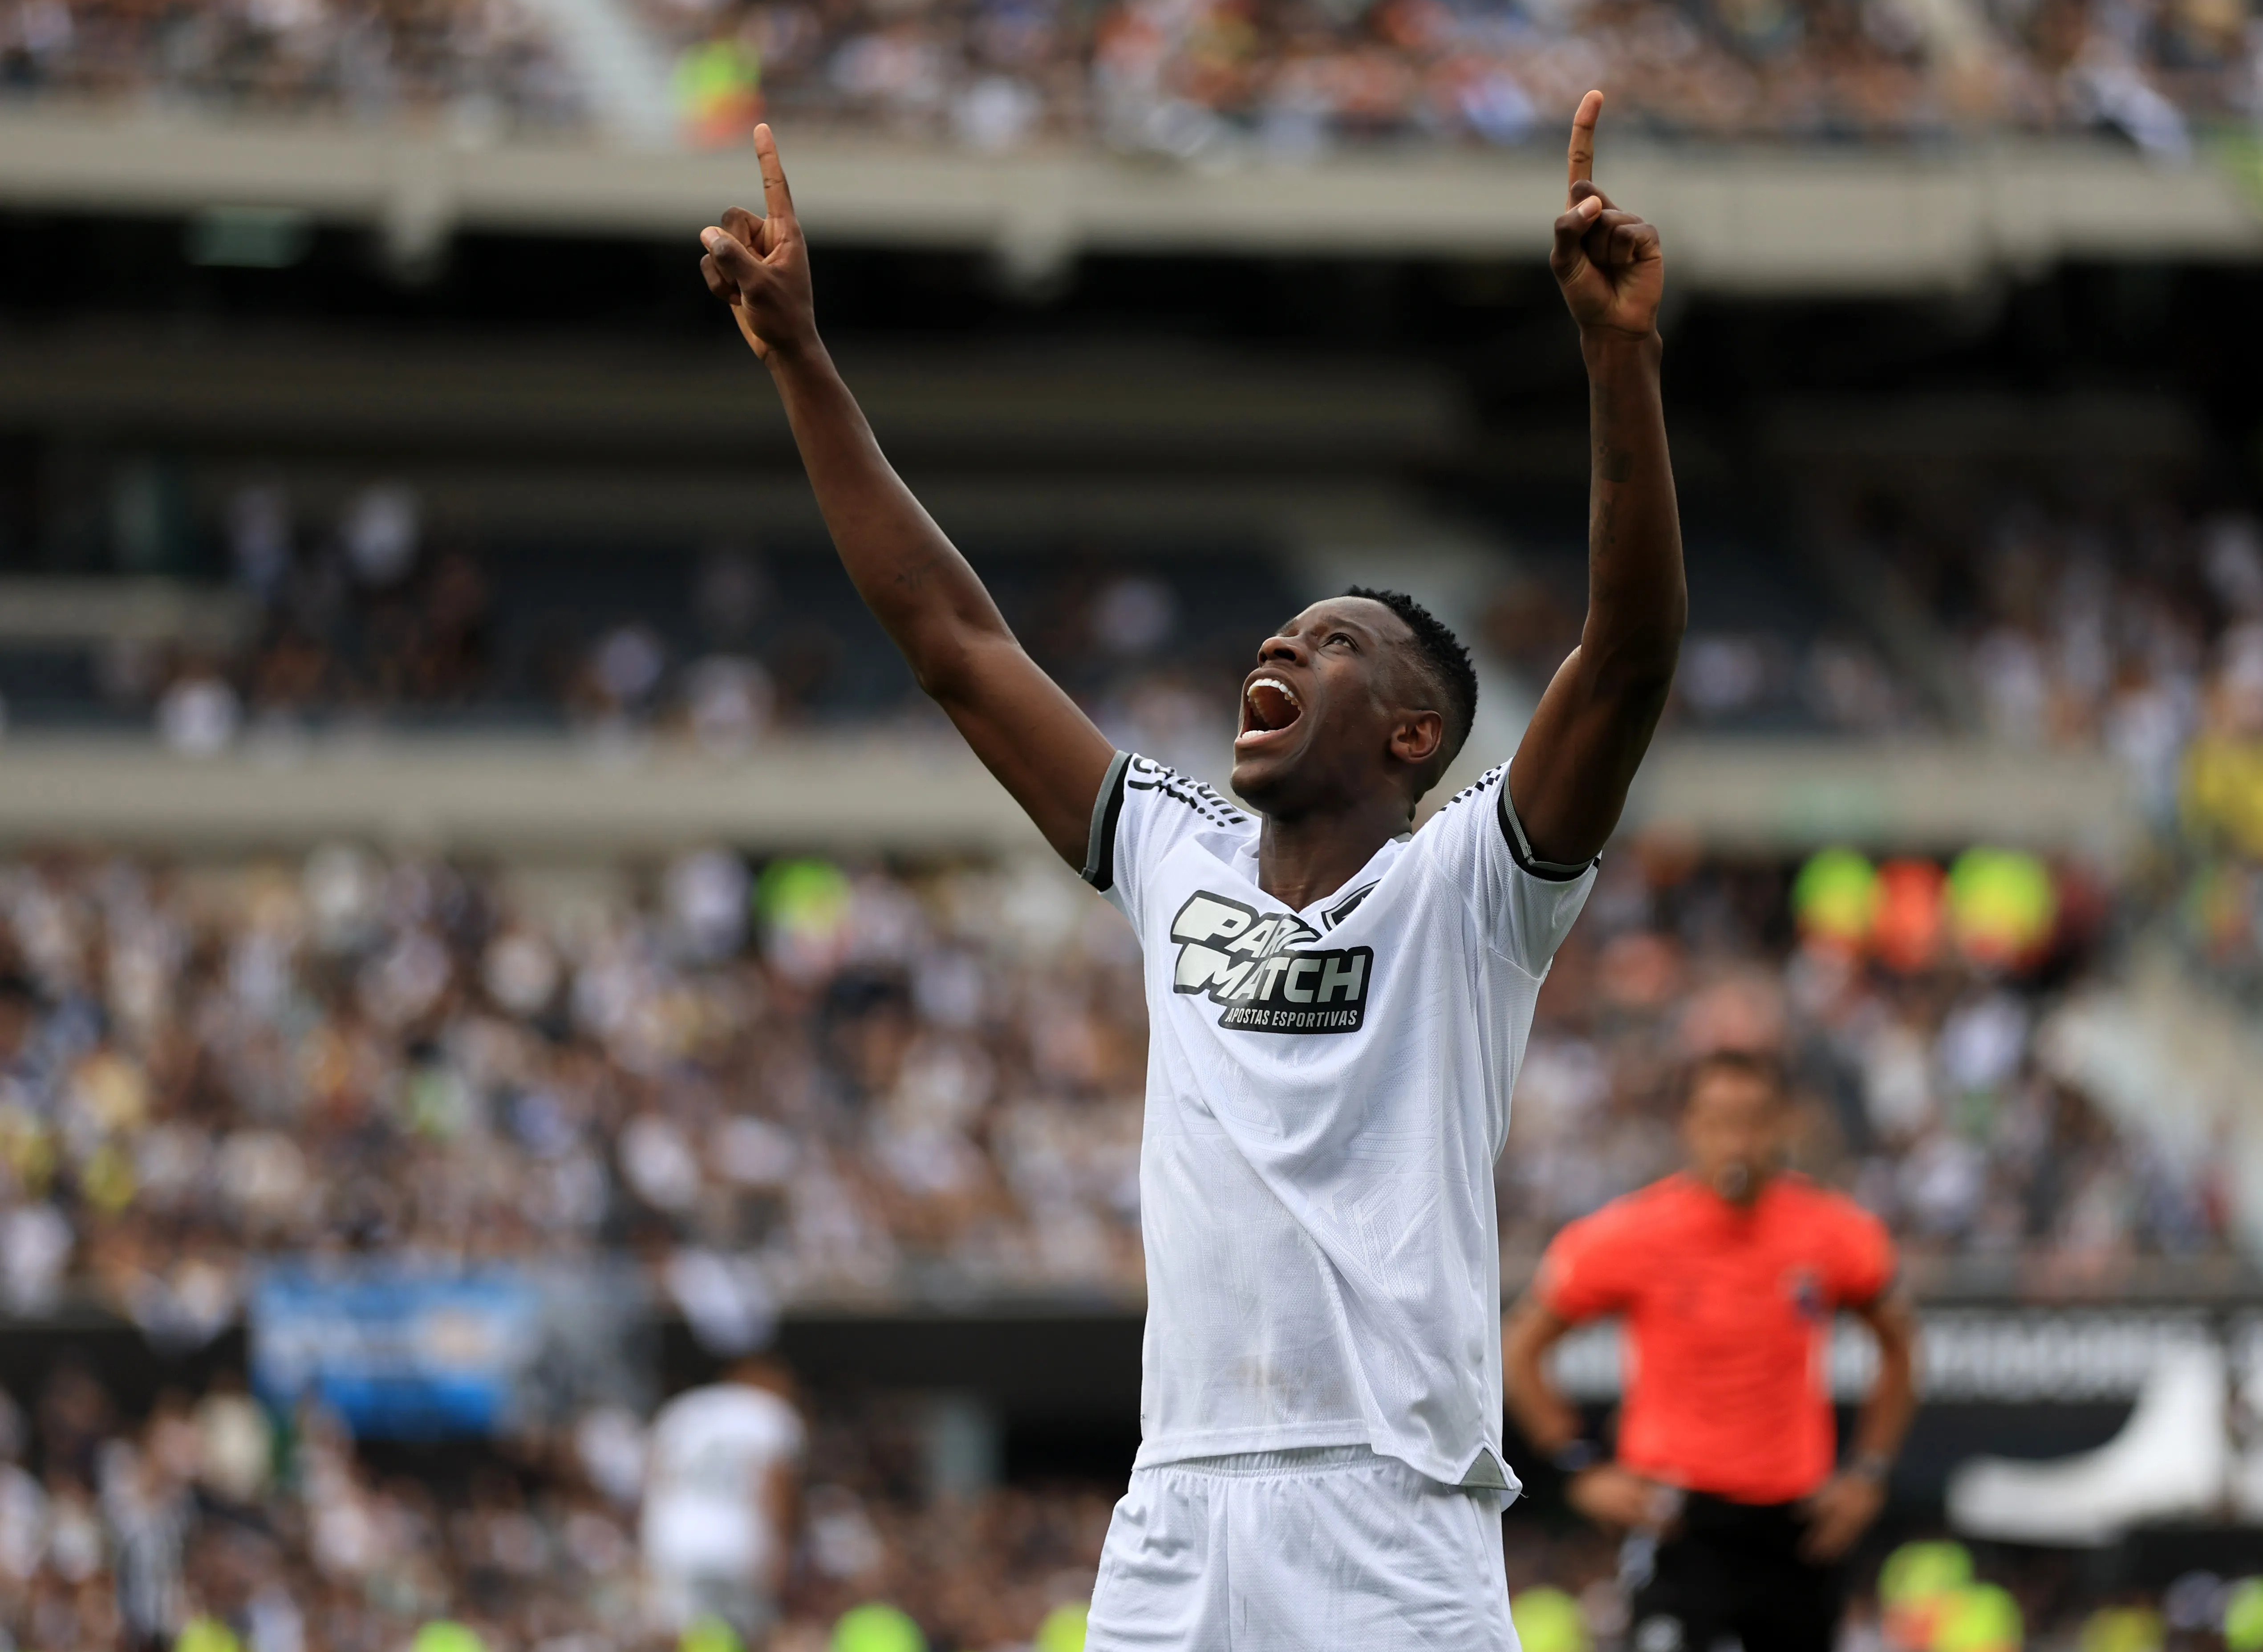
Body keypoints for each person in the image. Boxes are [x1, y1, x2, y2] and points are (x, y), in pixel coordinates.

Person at [697, 89, 1683, 1650]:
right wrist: (806, 363)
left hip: (1389, 1509)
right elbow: (956, 644)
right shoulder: (1173, 849)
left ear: (1414, 735)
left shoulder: (1470, 895)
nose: (1280, 644)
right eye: (1281, 634)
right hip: (1176, 1506)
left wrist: (1614, 358)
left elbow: (1624, 660)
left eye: (1333, 645)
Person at [1505, 1049, 1922, 1652]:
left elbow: (1900, 1345)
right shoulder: (1631, 1233)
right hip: (1678, 1518)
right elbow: (1521, 1348)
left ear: (1783, 1125)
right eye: (1720, 1120)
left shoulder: (1833, 1233)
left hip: (1797, 1524)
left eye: (1754, 1120)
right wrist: (1579, 1466)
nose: (1738, 1140)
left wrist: (1868, 1473)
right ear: (1690, 1126)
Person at [639, 1360, 805, 1642]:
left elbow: (654, 1478)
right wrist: (781, 1545)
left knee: (676, 1633)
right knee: (750, 1632)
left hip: (674, 1538)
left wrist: (648, 1542)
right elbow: (774, 1480)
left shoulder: (683, 1408)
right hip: (737, 1540)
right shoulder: (768, 1410)